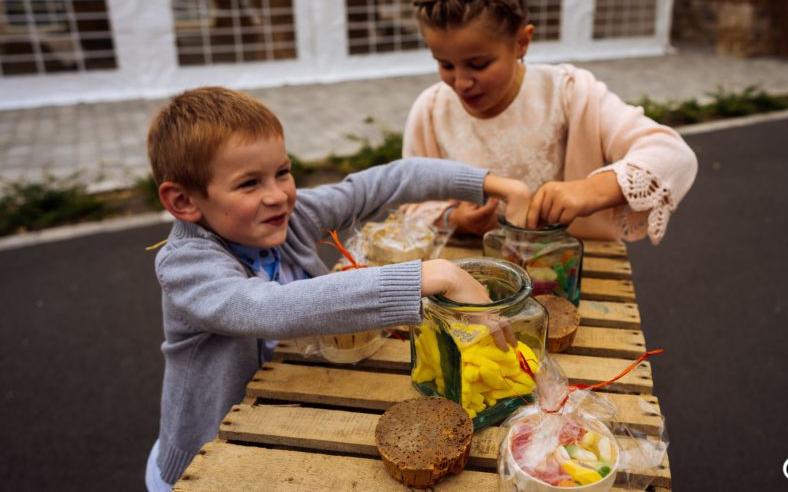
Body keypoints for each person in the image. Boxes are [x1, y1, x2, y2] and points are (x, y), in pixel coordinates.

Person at [143, 86, 530, 491]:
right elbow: (264, 308)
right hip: (209, 458)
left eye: (282, 172)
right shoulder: (185, 264)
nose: (278, 196)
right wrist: (430, 275)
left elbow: (384, 182)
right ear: (184, 201)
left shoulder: (290, 216)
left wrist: (492, 184)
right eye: (248, 184)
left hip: (287, 415)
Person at [403, 0, 697, 243]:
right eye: (445, 65)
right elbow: (408, 200)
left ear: (521, 42)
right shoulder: (430, 111)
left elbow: (673, 155)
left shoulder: (570, 92)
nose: (462, 82)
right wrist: (454, 219)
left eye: (478, 64)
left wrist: (591, 190)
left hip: (568, 272)